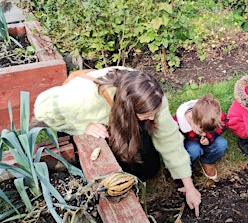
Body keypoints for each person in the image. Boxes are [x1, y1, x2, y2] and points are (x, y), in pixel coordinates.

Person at [33, 66, 201, 216]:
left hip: (121, 119)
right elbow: (42, 108)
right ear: (128, 109)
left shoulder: (154, 98)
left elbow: (169, 139)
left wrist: (189, 185)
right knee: (103, 166)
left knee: (149, 168)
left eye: (153, 113)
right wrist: (82, 126)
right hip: (88, 120)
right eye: (147, 114)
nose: (152, 117)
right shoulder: (83, 99)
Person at [173, 94, 228, 182]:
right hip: (190, 142)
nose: (204, 134)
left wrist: (210, 137)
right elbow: (174, 148)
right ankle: (188, 169)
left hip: (207, 141)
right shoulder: (177, 124)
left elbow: (224, 123)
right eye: (201, 131)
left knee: (222, 144)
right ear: (191, 119)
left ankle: (207, 160)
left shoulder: (213, 115)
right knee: (193, 150)